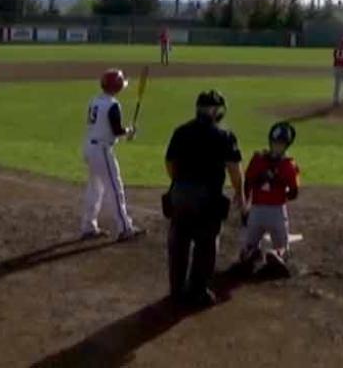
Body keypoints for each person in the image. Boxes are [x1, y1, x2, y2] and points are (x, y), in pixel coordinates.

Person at [164, 90, 244, 307]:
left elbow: (169, 163)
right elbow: (234, 170)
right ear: (214, 111)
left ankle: (177, 290)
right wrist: (240, 193)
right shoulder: (225, 136)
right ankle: (198, 291)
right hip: (207, 198)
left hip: (180, 194)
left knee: (179, 242)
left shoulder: (180, 132)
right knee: (206, 245)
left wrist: (179, 183)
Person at [80, 68, 145, 242]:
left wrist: (125, 132)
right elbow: (116, 130)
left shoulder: (95, 100)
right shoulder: (113, 105)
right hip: (101, 150)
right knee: (115, 188)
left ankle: (88, 225)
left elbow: (105, 126)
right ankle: (125, 228)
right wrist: (129, 131)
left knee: (95, 188)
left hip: (89, 147)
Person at [239, 121, 300, 277]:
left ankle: (253, 253)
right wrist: (281, 187)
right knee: (283, 249)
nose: (277, 146)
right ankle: (274, 254)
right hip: (276, 212)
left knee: (248, 245)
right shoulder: (289, 165)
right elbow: (294, 193)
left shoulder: (257, 159)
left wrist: (245, 205)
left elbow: (247, 183)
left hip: (257, 211)